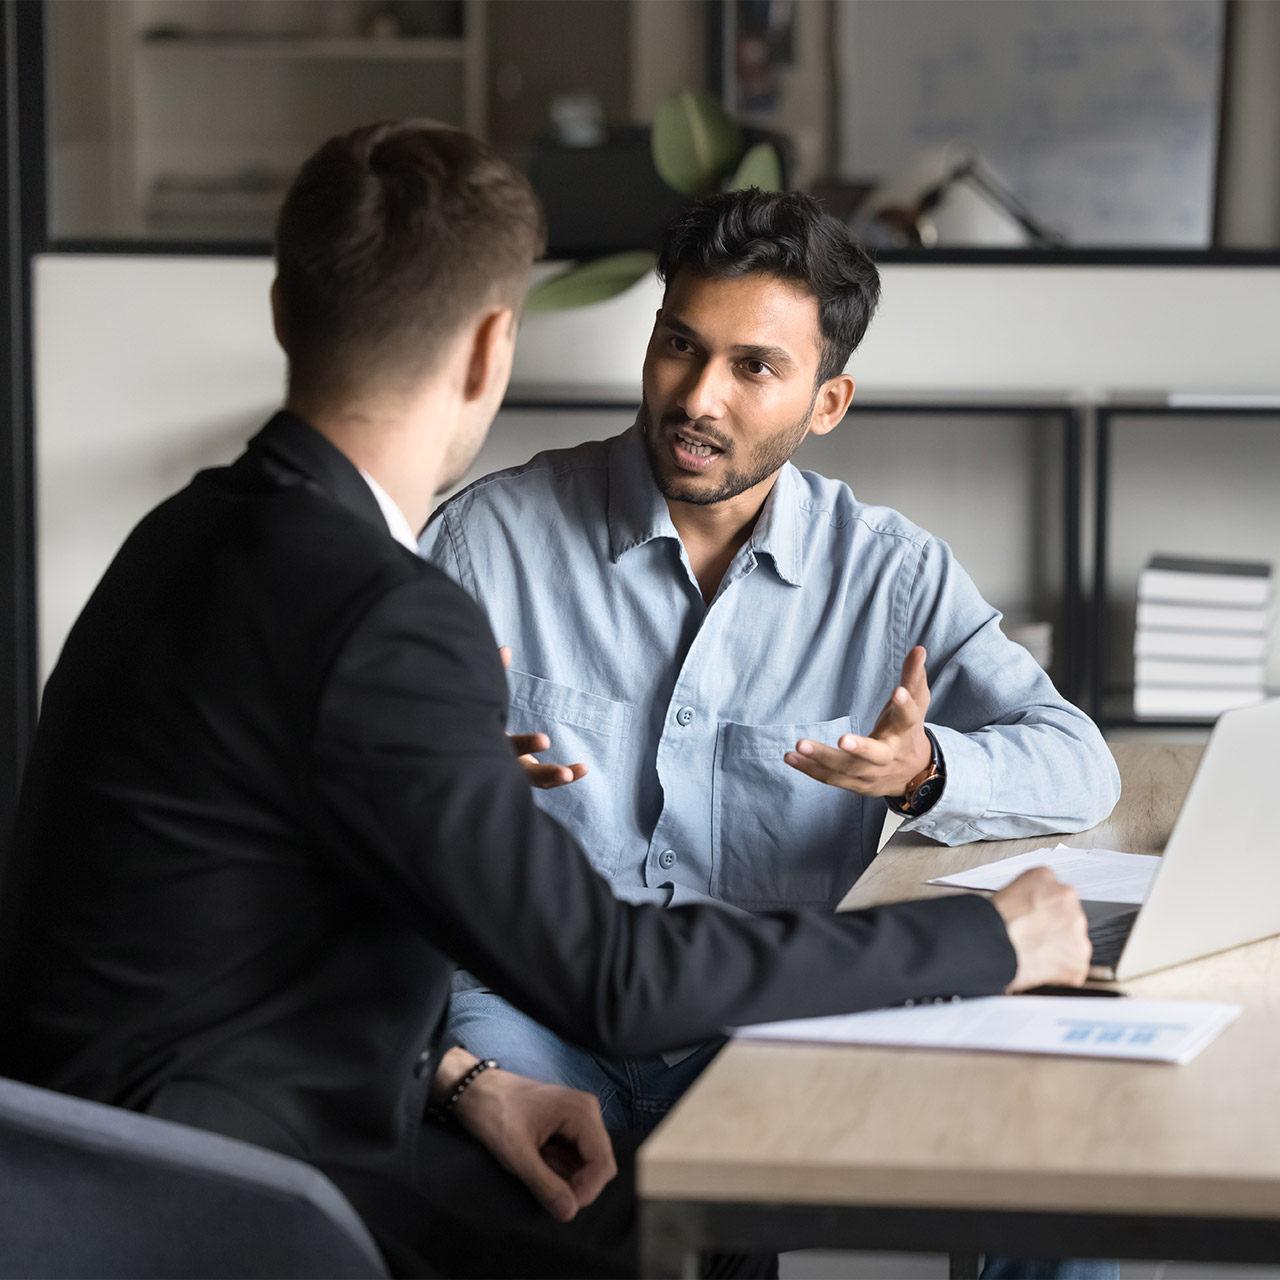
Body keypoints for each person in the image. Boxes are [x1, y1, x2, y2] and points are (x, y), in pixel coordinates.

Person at [0, 122, 1089, 1279]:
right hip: (236, 1204)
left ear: (282, 311)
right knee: (667, 1225)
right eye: (677, 343)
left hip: (81, 1167)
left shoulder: (183, 533)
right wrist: (984, 935)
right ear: (489, 352)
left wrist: (458, 1076)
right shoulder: (392, 605)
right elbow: (613, 976)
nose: (699, 392)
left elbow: (257, 916)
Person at [420, 187, 1122, 1128]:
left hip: (760, 1021)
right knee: (518, 1215)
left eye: (753, 367)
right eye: (680, 345)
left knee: (1050, 1128)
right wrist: (439, 770)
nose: (697, 397)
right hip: (532, 1009)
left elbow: (1079, 765)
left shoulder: (891, 576)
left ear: (827, 402)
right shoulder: (485, 539)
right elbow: (352, 791)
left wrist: (926, 772)